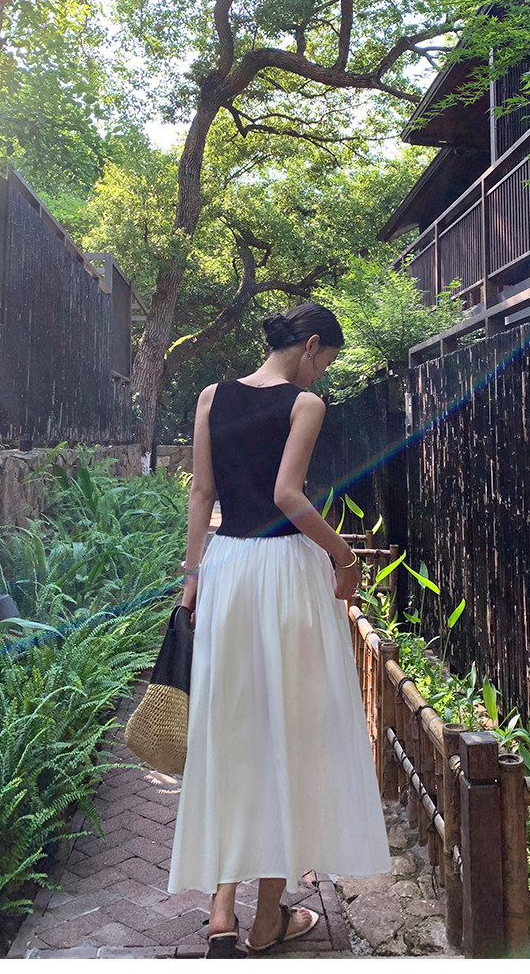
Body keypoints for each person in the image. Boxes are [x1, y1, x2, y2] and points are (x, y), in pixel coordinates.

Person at [167, 302, 390, 957]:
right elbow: (289, 497)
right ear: (311, 345)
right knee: (288, 733)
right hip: (286, 573)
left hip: (228, 569)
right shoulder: (304, 406)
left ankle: (221, 914)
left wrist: (192, 578)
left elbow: (202, 494)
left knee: (232, 731)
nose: (321, 377)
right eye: (326, 363)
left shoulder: (212, 397)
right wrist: (344, 557)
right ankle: (266, 921)